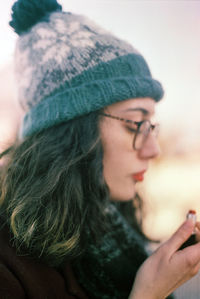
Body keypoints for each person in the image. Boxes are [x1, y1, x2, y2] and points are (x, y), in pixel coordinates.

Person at [0, 0, 200, 298]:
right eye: (135, 124)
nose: (154, 149)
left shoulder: (113, 223)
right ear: (72, 134)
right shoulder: (8, 267)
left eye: (151, 125)